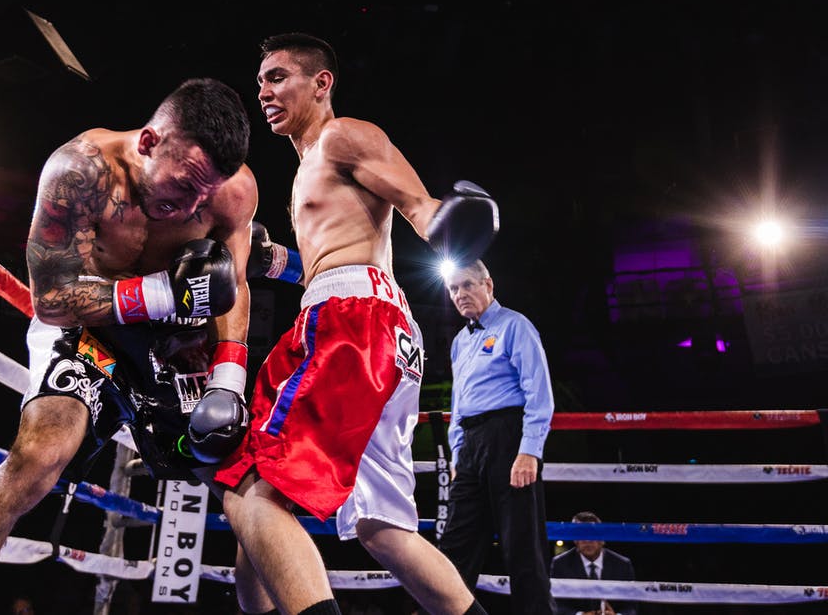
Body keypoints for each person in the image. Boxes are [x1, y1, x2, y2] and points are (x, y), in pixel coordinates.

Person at [0, 77, 257, 614]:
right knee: (37, 460)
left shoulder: (232, 191)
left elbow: (232, 287)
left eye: (204, 195)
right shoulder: (80, 171)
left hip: (173, 349)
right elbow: (52, 299)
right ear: (150, 142)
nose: (191, 207)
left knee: (251, 487)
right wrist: (159, 293)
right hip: (86, 329)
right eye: (183, 187)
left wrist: (228, 377)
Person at [213, 32, 497, 615]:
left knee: (250, 490)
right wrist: (277, 262)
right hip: (373, 327)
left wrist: (450, 220)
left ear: (322, 83)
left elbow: (422, 212)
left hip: (349, 324)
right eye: (261, 79)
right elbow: (335, 255)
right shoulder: (307, 170)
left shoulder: (343, 135)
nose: (263, 90)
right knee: (380, 526)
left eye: (278, 76)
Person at [438, 260, 557, 615]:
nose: (460, 294)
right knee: (456, 543)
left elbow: (539, 393)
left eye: (467, 285)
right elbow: (458, 405)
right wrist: (459, 455)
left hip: (509, 438)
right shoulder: (460, 341)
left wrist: (529, 452)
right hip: (471, 447)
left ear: (488, 284)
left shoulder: (515, 326)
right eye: (454, 289)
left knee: (522, 547)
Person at [550, 512, 637, 615]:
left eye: (592, 533)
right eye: (582, 534)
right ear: (574, 539)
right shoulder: (560, 564)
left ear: (602, 539)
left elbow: (631, 606)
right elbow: (555, 604)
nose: (587, 540)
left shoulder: (622, 565)